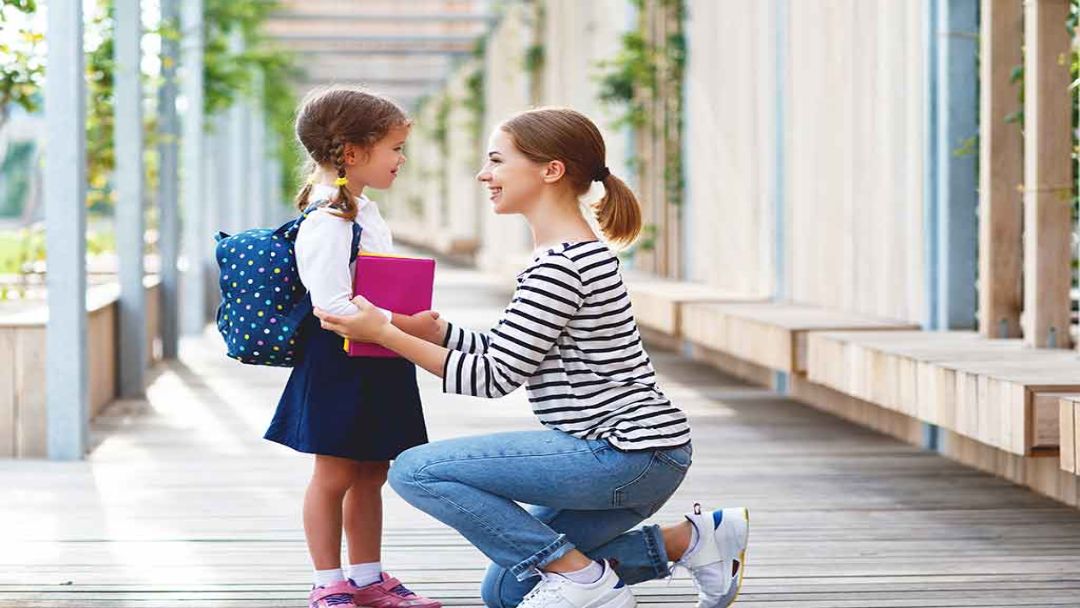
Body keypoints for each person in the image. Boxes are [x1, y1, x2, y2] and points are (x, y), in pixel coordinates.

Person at [314, 107, 750, 608]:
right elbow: (517, 350)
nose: (485, 175)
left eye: (497, 161)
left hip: (622, 453)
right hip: (644, 455)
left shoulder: (561, 265)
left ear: (551, 170)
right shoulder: (572, 255)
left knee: (416, 470)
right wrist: (441, 333)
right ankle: (692, 542)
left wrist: (386, 333)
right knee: (507, 589)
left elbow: (494, 377)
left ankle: (583, 579)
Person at [264, 86, 442, 608]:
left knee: (373, 470)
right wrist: (408, 323)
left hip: (376, 356)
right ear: (352, 153)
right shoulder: (329, 219)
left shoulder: (360, 209)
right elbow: (332, 306)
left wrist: (400, 324)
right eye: (394, 147)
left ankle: (367, 578)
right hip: (340, 360)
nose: (401, 159)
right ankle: (327, 583)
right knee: (335, 472)